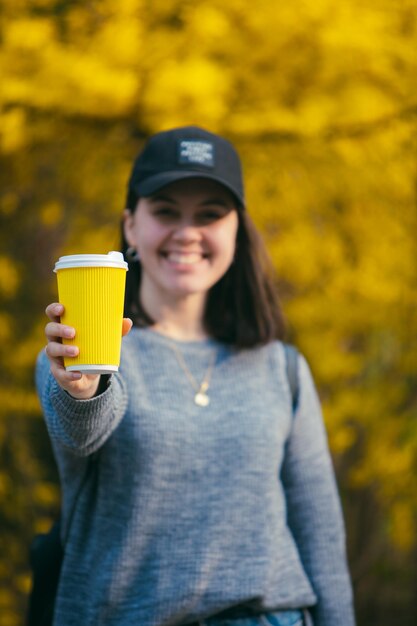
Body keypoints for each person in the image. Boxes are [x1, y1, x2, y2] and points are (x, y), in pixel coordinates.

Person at [37, 126, 356, 626]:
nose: (187, 232)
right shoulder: (80, 355)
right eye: (166, 211)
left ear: (236, 231)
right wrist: (84, 388)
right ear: (130, 226)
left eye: (209, 215)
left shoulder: (282, 368)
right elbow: (82, 433)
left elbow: (320, 537)